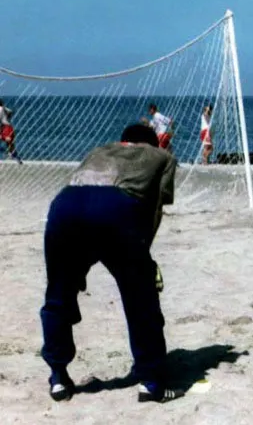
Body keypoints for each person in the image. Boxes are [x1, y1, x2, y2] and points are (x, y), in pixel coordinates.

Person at [40, 123, 181, 403]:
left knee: (58, 295)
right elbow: (154, 209)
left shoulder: (99, 150)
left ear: (122, 141)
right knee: (140, 299)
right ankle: (151, 382)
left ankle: (58, 376)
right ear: (153, 144)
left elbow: (83, 188)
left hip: (64, 207)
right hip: (117, 210)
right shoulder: (162, 157)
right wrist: (146, 256)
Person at [0, 99, 22, 163]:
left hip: (5, 127)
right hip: (9, 127)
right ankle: (18, 159)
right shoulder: (4, 108)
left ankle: (9, 153)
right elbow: (11, 112)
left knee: (8, 141)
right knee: (11, 146)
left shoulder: (0, 109)